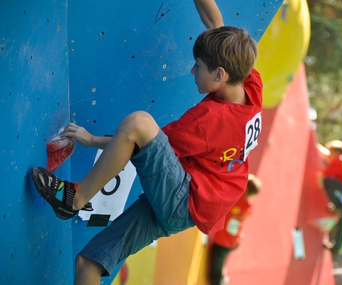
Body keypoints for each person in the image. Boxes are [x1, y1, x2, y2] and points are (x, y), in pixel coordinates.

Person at [30, 0, 263, 283]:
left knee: (138, 123)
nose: (192, 71)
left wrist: (91, 140)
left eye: (197, 66)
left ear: (219, 74)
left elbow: (138, 139)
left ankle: (74, 198)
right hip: (191, 206)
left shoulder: (211, 121)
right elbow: (215, 22)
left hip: (183, 198)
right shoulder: (249, 84)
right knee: (88, 263)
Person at [208, 174, 261, 285]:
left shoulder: (236, 199)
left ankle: (220, 279)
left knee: (215, 276)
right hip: (233, 241)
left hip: (222, 243)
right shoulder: (248, 205)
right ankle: (223, 274)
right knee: (220, 262)